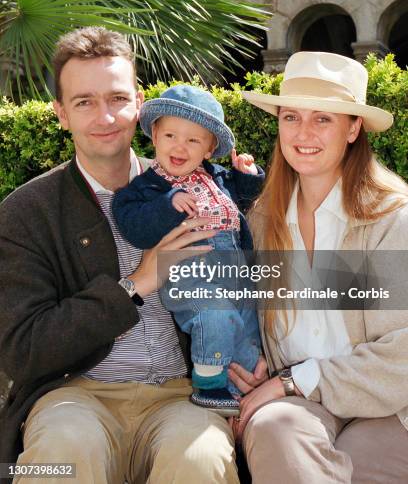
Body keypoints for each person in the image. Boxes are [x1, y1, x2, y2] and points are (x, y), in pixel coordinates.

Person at [0, 27, 242, 484]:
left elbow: (240, 273)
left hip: (179, 396)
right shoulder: (26, 213)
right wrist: (136, 284)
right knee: (63, 452)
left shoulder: (196, 185)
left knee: (201, 457)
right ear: (61, 114)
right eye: (84, 102)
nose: (105, 116)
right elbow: (23, 351)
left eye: (116, 98)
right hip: (74, 395)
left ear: (139, 105)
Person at [228, 51, 408, 483]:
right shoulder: (261, 220)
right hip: (302, 405)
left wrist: (294, 382)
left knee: (353, 461)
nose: (303, 133)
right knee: (274, 428)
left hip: (390, 404)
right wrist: (254, 365)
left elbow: (402, 355)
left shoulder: (391, 219)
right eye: (291, 116)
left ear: (353, 128)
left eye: (323, 119)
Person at [112, 84, 264, 414]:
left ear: (209, 149)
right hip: (191, 276)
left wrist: (248, 175)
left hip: (236, 274)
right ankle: (209, 386)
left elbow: (246, 199)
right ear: (154, 135)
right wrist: (169, 203)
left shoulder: (217, 177)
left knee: (249, 333)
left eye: (193, 140)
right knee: (213, 317)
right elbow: (133, 224)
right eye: (170, 136)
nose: (179, 146)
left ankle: (251, 392)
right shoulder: (146, 188)